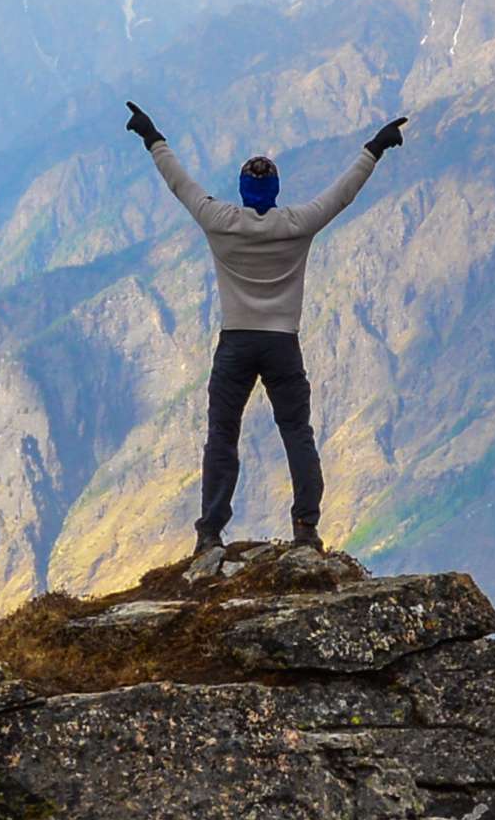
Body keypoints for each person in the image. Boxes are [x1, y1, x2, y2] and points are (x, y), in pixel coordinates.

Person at [124, 98, 407, 555]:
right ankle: (305, 528)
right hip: (282, 345)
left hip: (235, 344)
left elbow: (180, 184)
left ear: (241, 190)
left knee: (222, 435)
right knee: (297, 431)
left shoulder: (221, 222)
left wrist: (151, 136)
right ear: (275, 190)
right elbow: (343, 193)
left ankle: (210, 532)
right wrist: (374, 148)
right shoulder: (297, 224)